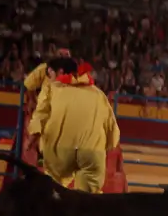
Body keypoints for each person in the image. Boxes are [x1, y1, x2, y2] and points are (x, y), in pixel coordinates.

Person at [27, 59, 120, 193]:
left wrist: (31, 142)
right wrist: (107, 146)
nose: (49, 78)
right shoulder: (98, 94)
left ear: (59, 72)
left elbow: (39, 118)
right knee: (88, 197)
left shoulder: (51, 89)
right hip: (91, 152)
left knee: (53, 190)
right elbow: (112, 128)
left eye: (50, 75)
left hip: (59, 151)